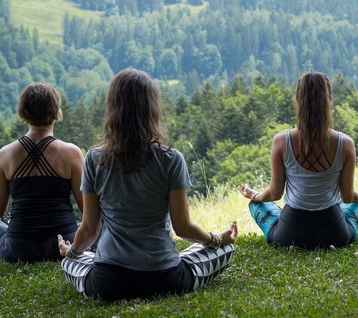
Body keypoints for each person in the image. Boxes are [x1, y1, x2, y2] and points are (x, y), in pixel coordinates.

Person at [58, 68, 237, 301]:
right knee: (227, 249)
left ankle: (70, 258)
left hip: (107, 283)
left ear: (113, 109)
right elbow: (182, 228)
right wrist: (217, 239)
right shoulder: (172, 159)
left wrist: (70, 253)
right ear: (152, 109)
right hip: (166, 278)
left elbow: (90, 229)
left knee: (70, 262)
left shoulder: (94, 159)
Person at [239, 71, 358, 249]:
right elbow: (348, 197)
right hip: (333, 232)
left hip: (290, 233)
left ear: (297, 101)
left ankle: (271, 217)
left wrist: (254, 195)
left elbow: (275, 193)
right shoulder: (345, 143)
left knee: (257, 205)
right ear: (329, 100)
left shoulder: (281, 141)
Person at [0, 82, 84, 263]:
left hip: (18, 248)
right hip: (63, 244)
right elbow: (86, 209)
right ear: (56, 111)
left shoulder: (5, 154)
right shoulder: (72, 153)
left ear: (23, 112)